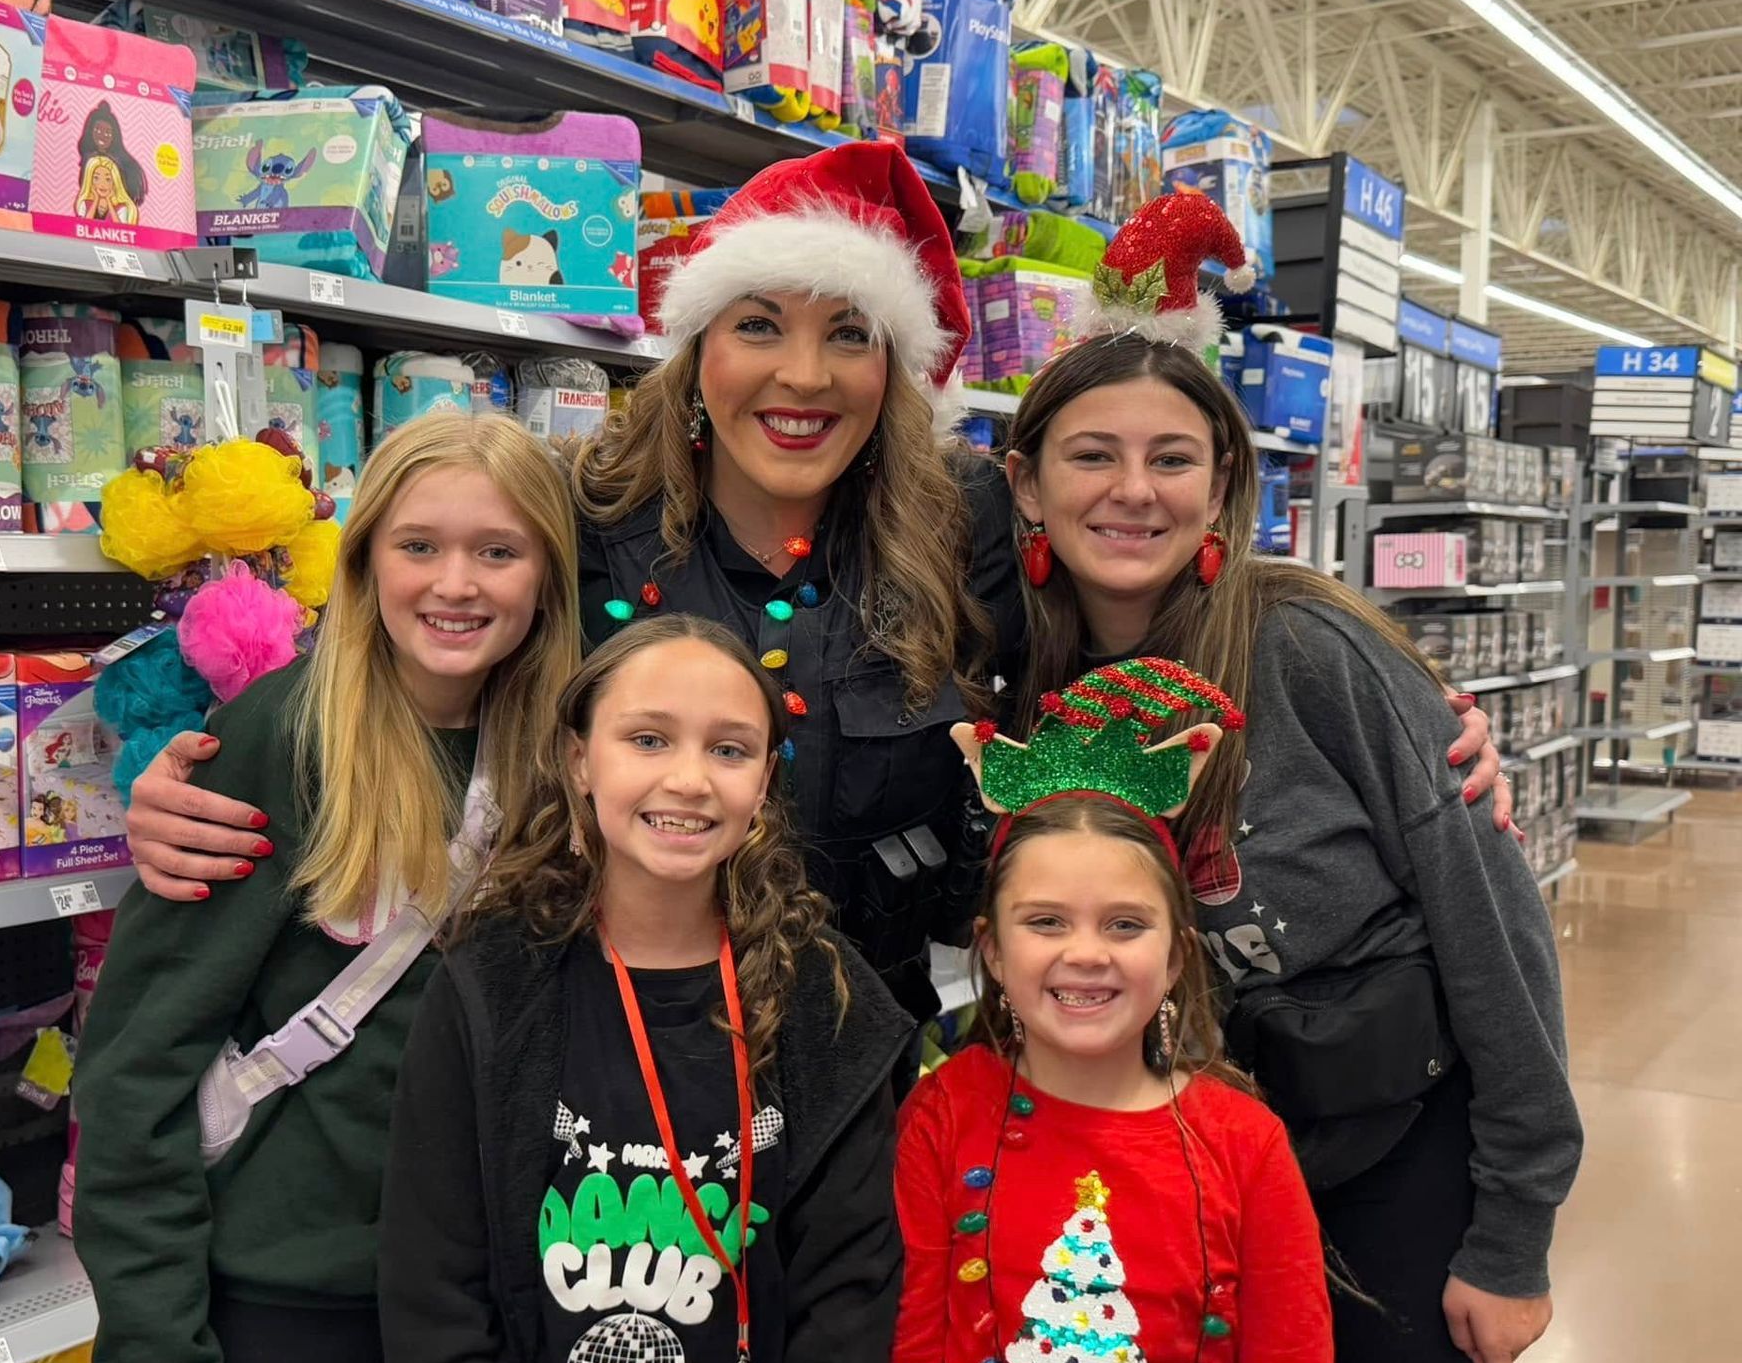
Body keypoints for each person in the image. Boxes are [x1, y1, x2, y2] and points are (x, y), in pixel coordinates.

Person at [113, 147, 1508, 1023]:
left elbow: (1135, 623)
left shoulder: (966, 524)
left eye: (851, 333)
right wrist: (230, 764)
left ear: (893, 367)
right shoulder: (591, 511)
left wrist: (1412, 715)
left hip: (876, 1040)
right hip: (609, 1030)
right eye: (761, 327)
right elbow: (427, 627)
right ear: (697, 354)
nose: (803, 374)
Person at [1001, 193, 1582, 1363]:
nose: (1132, 492)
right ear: (1027, 483)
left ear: (1223, 491)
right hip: (1171, 1169)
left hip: (1386, 1171)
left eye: (1173, 459)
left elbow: (1497, 934)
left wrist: (1515, 1232)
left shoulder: (1313, 651)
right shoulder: (1020, 677)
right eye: (1091, 454)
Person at [73, 413, 581, 1363]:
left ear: (548, 576)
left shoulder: (573, 758)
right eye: (419, 546)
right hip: (291, 1308)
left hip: (493, 1306)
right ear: (363, 561)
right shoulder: (279, 738)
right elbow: (136, 1077)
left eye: (497, 551)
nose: (455, 584)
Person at [380, 616, 911, 1363]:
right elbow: (437, 1295)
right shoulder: (491, 988)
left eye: (728, 750)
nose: (690, 780)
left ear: (765, 781)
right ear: (578, 759)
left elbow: (843, 1310)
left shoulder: (824, 1001)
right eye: (649, 740)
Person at [891, 665, 1340, 1363]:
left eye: (1125, 925)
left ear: (1174, 959)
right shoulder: (944, 1115)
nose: (1087, 954)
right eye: (1045, 922)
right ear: (992, 952)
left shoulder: (1246, 1148)